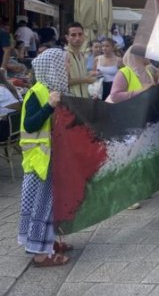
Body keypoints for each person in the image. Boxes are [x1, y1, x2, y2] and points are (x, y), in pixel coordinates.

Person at [18, 48, 71, 267]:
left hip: (50, 158)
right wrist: (49, 106)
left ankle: (47, 242)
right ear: (53, 67)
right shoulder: (37, 92)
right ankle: (39, 253)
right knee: (41, 205)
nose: (67, 68)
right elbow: (30, 125)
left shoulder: (53, 90)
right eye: (64, 64)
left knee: (51, 204)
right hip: (40, 160)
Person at [65, 23, 96, 98]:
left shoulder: (82, 55)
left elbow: (80, 76)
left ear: (84, 36)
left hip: (83, 98)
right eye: (73, 35)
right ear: (67, 37)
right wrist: (85, 79)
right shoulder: (64, 55)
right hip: (70, 100)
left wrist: (89, 75)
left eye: (80, 34)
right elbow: (63, 82)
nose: (77, 38)